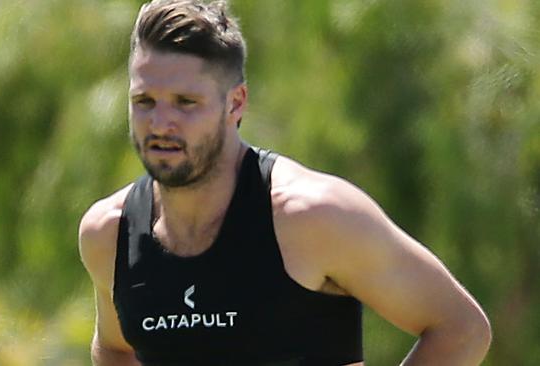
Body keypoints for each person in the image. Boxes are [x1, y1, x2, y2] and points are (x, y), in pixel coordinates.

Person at [78, 0, 492, 365]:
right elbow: (114, 348)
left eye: (186, 103)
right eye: (144, 102)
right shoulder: (110, 234)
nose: (161, 123)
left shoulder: (314, 216)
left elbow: (460, 329)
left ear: (235, 103)